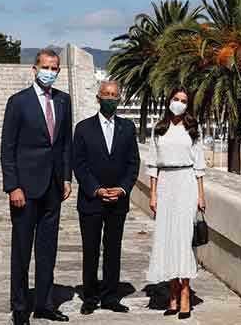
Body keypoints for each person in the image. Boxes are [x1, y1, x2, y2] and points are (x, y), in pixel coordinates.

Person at [0, 48, 73, 324]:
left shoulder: (64, 101)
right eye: (46, 67)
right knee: (21, 249)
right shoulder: (18, 102)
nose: (50, 72)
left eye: (55, 68)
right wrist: (13, 186)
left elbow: (66, 143)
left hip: (53, 187)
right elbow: (8, 148)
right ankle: (20, 306)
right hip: (25, 189)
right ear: (35, 68)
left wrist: (67, 177)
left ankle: (44, 302)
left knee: (47, 249)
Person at [71, 80, 139, 315]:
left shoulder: (128, 128)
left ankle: (110, 296)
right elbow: (78, 164)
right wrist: (96, 189)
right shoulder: (83, 128)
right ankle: (90, 296)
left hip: (118, 201)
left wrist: (122, 189)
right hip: (91, 200)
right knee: (90, 250)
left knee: (113, 249)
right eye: (106, 95)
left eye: (115, 95)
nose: (110, 99)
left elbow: (133, 163)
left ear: (119, 99)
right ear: (98, 98)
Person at [145, 88, 206, 320]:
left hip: (186, 183)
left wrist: (200, 195)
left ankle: (184, 294)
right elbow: (152, 164)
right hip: (165, 184)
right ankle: (171, 293)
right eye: (176, 99)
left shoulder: (192, 129)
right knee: (166, 239)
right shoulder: (159, 129)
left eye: (183, 101)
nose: (179, 104)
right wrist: (153, 194)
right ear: (169, 101)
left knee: (183, 239)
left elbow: (199, 164)